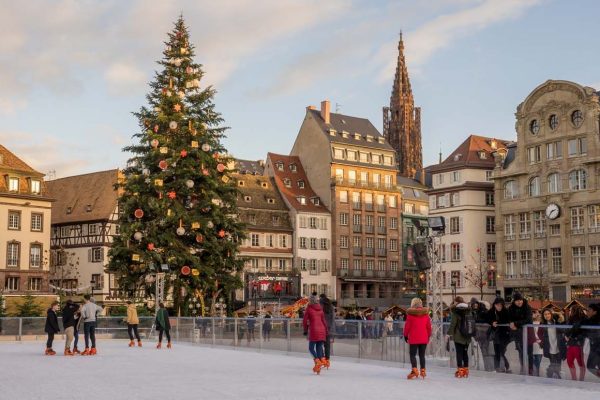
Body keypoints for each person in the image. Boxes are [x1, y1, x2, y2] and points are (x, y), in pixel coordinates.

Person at [403, 297, 432, 379]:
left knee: (412, 355)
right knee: (422, 355)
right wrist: (428, 336)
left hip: (414, 338)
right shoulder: (426, 314)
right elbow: (429, 327)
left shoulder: (410, 314)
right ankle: (423, 370)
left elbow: (407, 327)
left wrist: (405, 335)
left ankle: (414, 370)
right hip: (424, 338)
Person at [302, 294, 328, 375]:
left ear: (310, 301)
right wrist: (326, 331)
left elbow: (305, 320)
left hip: (314, 330)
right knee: (319, 348)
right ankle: (318, 368)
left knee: (311, 348)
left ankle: (317, 361)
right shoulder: (320, 309)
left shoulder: (309, 309)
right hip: (322, 330)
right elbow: (324, 321)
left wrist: (305, 330)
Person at [507, 292, 532, 374]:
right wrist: (511, 323)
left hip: (528, 333)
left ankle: (530, 369)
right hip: (518, 334)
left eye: (520, 300)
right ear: (514, 301)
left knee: (529, 352)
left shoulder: (527, 307)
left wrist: (516, 324)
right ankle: (523, 367)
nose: (519, 302)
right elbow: (509, 318)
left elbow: (528, 320)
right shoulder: (511, 308)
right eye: (517, 300)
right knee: (521, 351)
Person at [448, 297, 471, 378]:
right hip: (467, 336)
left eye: (454, 302)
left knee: (459, 353)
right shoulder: (469, 310)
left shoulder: (456, 311)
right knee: (465, 353)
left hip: (458, 336)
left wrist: (449, 333)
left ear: (456, 302)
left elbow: (453, 324)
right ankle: (466, 369)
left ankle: (460, 370)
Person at [540, 309, 566, 379]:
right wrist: (541, 342)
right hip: (549, 345)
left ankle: (555, 375)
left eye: (548, 314)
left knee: (558, 363)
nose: (547, 315)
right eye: (545, 314)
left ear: (551, 314)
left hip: (558, 345)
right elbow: (539, 333)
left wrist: (559, 316)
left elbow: (563, 329)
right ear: (543, 316)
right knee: (553, 362)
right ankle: (553, 375)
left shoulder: (556, 321)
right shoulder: (542, 324)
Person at [488, 297, 511, 373]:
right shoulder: (491, 311)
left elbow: (507, 320)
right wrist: (491, 322)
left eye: (501, 305)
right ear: (494, 305)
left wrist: (497, 322)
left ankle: (506, 366)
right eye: (497, 305)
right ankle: (497, 367)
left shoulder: (506, 312)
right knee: (497, 351)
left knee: (501, 351)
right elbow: (486, 318)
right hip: (496, 335)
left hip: (504, 335)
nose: (499, 307)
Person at [471, 298, 494, 372]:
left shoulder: (483, 311)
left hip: (485, 334)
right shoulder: (473, 312)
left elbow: (487, 320)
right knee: (479, 350)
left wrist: (476, 321)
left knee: (485, 351)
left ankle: (487, 367)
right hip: (477, 334)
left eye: (476, 304)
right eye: (473, 304)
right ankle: (481, 366)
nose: (475, 305)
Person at [565, 305, 586, 380]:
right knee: (569, 361)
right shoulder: (570, 319)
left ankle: (581, 380)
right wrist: (566, 335)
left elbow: (577, 330)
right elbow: (567, 329)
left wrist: (569, 335)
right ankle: (574, 378)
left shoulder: (582, 319)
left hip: (578, 344)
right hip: (570, 343)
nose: (569, 312)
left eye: (571, 310)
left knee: (580, 362)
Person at [319, 293, 335, 368]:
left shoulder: (320, 305)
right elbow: (332, 318)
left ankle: (322, 359)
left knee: (319, 344)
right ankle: (327, 360)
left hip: (321, 327)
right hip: (328, 328)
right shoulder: (331, 306)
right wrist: (331, 327)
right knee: (327, 345)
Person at [585, 303, 600, 378]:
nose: (587, 311)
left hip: (597, 349)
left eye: (589, 310)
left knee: (590, 366)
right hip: (594, 347)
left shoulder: (596, 321)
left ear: (595, 312)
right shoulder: (589, 320)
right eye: (587, 310)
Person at [527, 310, 543, 376]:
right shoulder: (529, 323)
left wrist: (541, 341)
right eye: (533, 313)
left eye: (537, 312)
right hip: (530, 345)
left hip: (539, 347)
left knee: (537, 364)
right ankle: (532, 375)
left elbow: (543, 334)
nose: (535, 314)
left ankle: (537, 376)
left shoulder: (542, 323)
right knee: (531, 364)